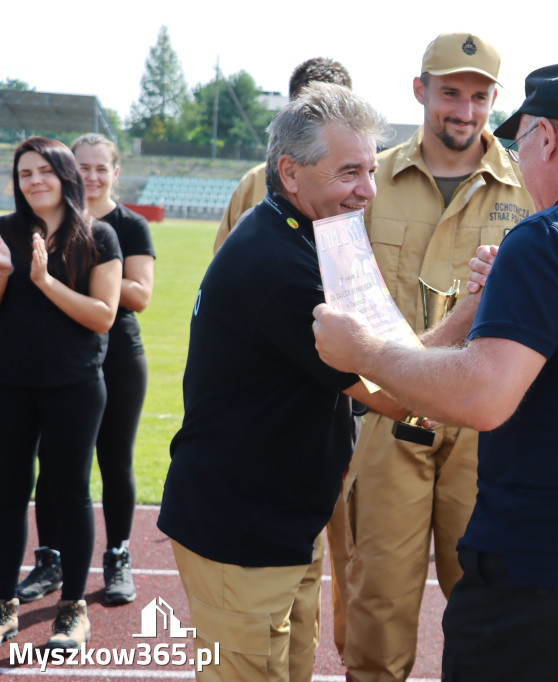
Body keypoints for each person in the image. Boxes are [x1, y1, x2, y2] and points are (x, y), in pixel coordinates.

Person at [312, 61, 558, 682]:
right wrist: (480, 311)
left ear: (546, 137)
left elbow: (482, 398)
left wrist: (365, 351)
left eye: (518, 143)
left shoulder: (551, 236)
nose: (517, 162)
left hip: (550, 570)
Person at [156, 83, 406, 681]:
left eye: (371, 170)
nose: (367, 190)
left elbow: (393, 356)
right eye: (349, 172)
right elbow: (394, 391)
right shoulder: (281, 266)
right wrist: (479, 335)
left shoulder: (304, 235)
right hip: (241, 537)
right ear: (289, 173)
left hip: (282, 524)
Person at [335, 32, 532, 682]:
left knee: (488, 611)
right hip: (386, 422)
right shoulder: (370, 185)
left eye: (479, 96)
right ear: (421, 90)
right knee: (377, 613)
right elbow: (337, 300)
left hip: (486, 428)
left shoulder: (529, 189)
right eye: (450, 92)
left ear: (494, 100)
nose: (465, 110)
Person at [16, 134, 156, 608]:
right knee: (51, 470)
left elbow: (137, 296)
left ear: (115, 172)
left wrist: (100, 269)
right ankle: (49, 560)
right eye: (83, 167)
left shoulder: (123, 227)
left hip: (115, 356)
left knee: (113, 462)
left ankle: (117, 556)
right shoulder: (36, 223)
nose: (92, 176)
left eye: (102, 167)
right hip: (54, 361)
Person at [0, 137, 123, 648]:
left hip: (75, 385)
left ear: (66, 175)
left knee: (70, 491)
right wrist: (5, 276)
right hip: (10, 384)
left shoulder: (99, 237)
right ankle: (5, 600)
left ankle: (72, 606)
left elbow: (104, 316)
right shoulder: (4, 232)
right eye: (24, 173)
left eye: (44, 171)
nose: (34, 182)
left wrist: (45, 281)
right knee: (7, 493)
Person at [212, 57, 353, 254]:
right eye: (309, 115)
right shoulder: (253, 183)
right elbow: (225, 263)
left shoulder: (366, 191)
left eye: (332, 115)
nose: (318, 127)